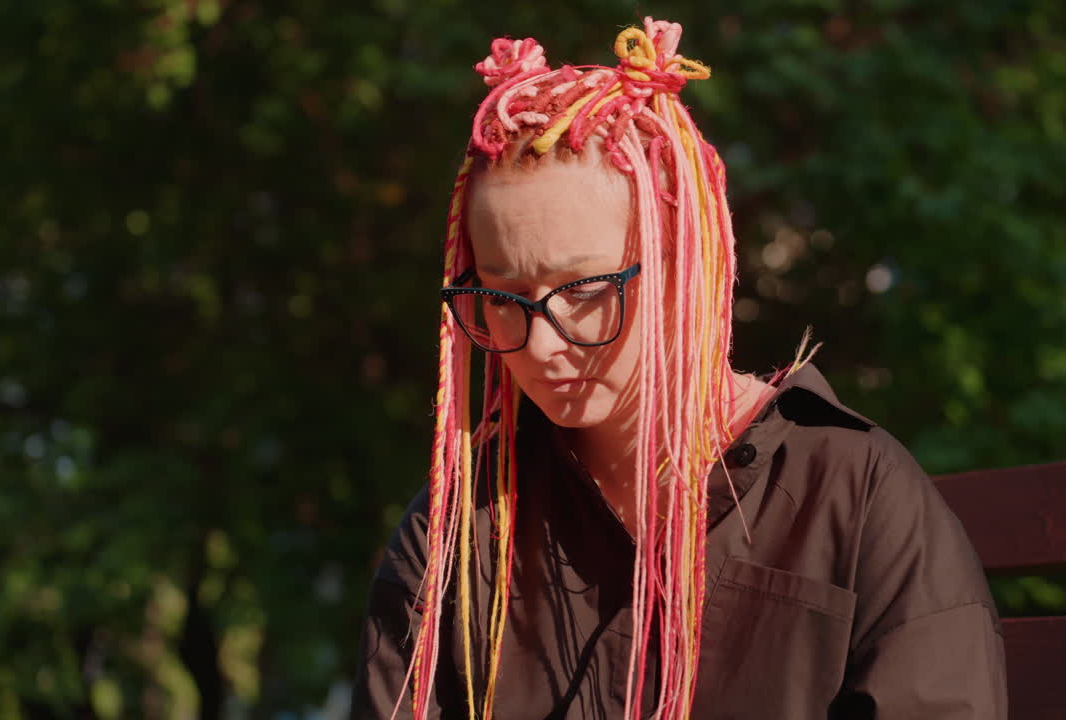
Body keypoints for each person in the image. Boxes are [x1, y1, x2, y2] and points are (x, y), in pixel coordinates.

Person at [351, 18, 1007, 720]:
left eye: (582, 290)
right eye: (502, 298)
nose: (539, 347)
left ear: (680, 264)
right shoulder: (458, 527)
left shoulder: (854, 496)